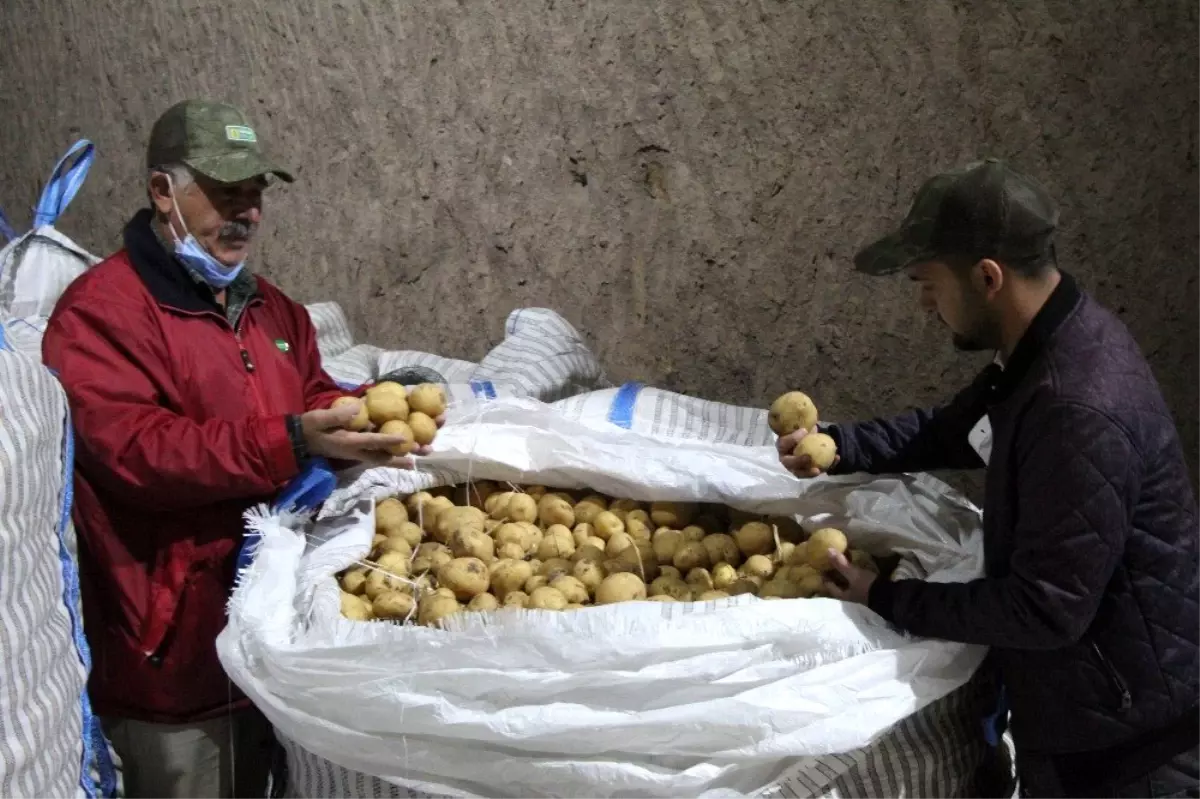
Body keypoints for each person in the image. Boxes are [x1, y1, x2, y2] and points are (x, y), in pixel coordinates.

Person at [42, 100, 429, 799]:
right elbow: (137, 451)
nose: (245, 211)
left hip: (265, 640)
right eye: (224, 192)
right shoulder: (100, 313)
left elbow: (311, 395)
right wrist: (289, 440)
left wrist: (368, 410)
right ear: (164, 192)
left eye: (255, 192)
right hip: (174, 658)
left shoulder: (274, 311)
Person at [778, 159, 1200, 797]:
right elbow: (955, 430)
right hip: (1091, 716)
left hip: (1125, 755)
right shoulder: (1044, 350)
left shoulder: (1075, 406)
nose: (924, 303)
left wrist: (881, 596)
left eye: (927, 282)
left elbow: (1043, 608)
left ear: (987, 277)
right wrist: (837, 446)